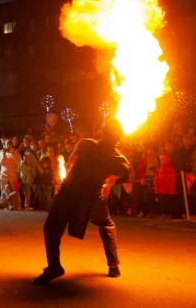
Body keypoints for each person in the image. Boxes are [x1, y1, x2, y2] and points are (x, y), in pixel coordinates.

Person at [34, 119, 130, 284]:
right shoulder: (119, 159)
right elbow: (125, 172)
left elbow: (70, 163)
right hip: (92, 197)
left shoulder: (86, 144)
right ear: (119, 138)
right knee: (106, 225)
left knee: (52, 228)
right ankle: (113, 266)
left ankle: (54, 266)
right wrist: (108, 182)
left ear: (102, 132)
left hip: (69, 192)